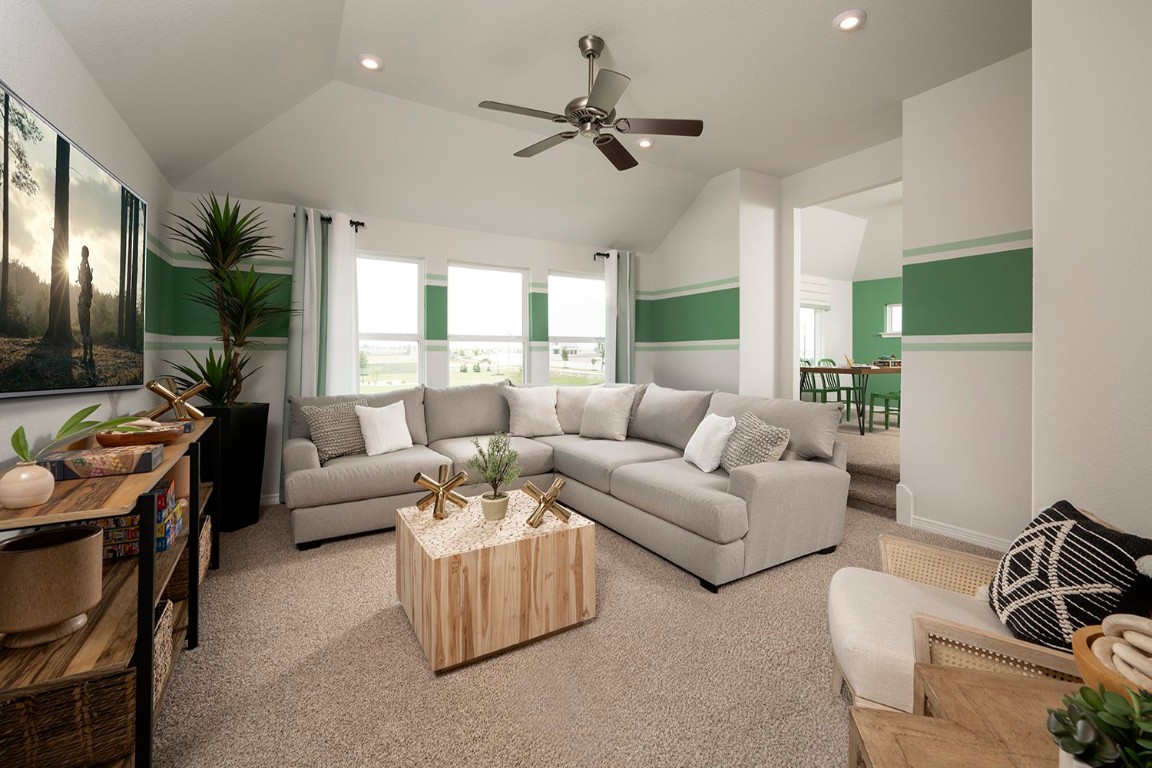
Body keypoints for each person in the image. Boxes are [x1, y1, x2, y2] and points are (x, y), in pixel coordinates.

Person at [77, 246, 94, 362]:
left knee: (84, 330)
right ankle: (89, 355)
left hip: (84, 302)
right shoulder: (86, 264)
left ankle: (85, 355)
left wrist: (80, 274)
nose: (81, 253)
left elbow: (82, 281)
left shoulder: (84, 265)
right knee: (87, 330)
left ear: (85, 253)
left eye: (82, 251)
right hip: (86, 302)